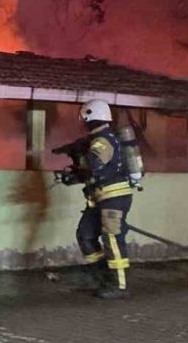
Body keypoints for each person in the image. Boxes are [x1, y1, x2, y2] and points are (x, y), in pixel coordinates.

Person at [54, 99, 135, 299]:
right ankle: (101, 278)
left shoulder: (102, 140)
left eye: (84, 118)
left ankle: (119, 285)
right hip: (100, 197)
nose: (82, 122)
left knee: (112, 238)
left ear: (90, 116)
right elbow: (93, 172)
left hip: (114, 197)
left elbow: (95, 162)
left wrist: (79, 154)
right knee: (85, 235)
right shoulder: (96, 140)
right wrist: (74, 175)